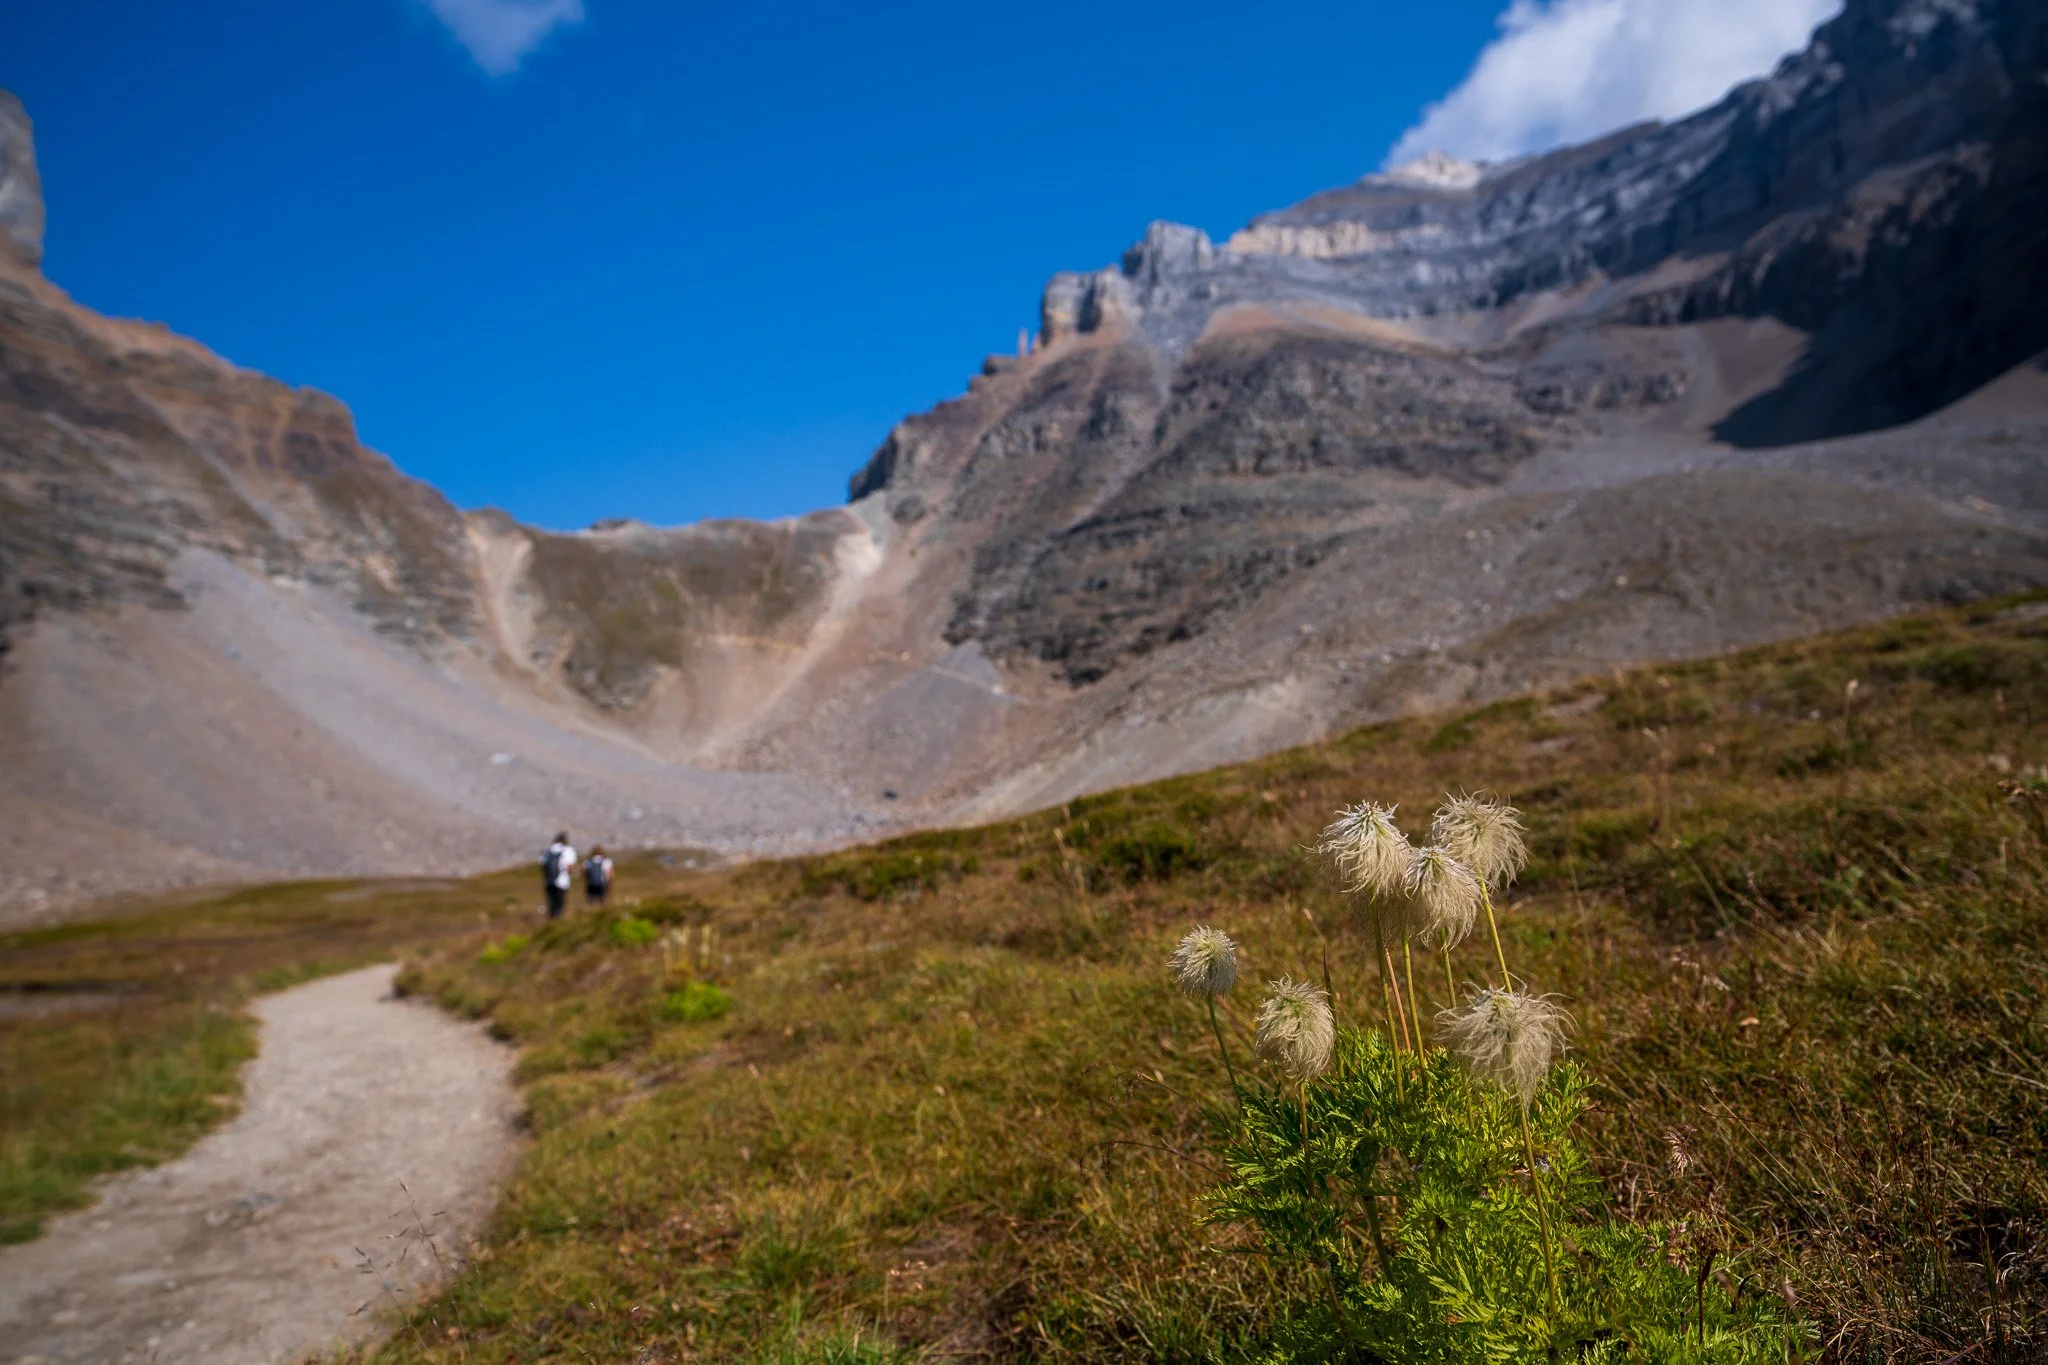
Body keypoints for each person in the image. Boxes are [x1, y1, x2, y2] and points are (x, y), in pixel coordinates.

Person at [542, 831, 577, 919]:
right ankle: (558, 924)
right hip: (562, 881)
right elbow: (570, 866)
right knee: (560, 905)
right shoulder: (568, 850)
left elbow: (543, 864)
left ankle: (550, 923)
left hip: (549, 881)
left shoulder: (549, 850)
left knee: (551, 904)